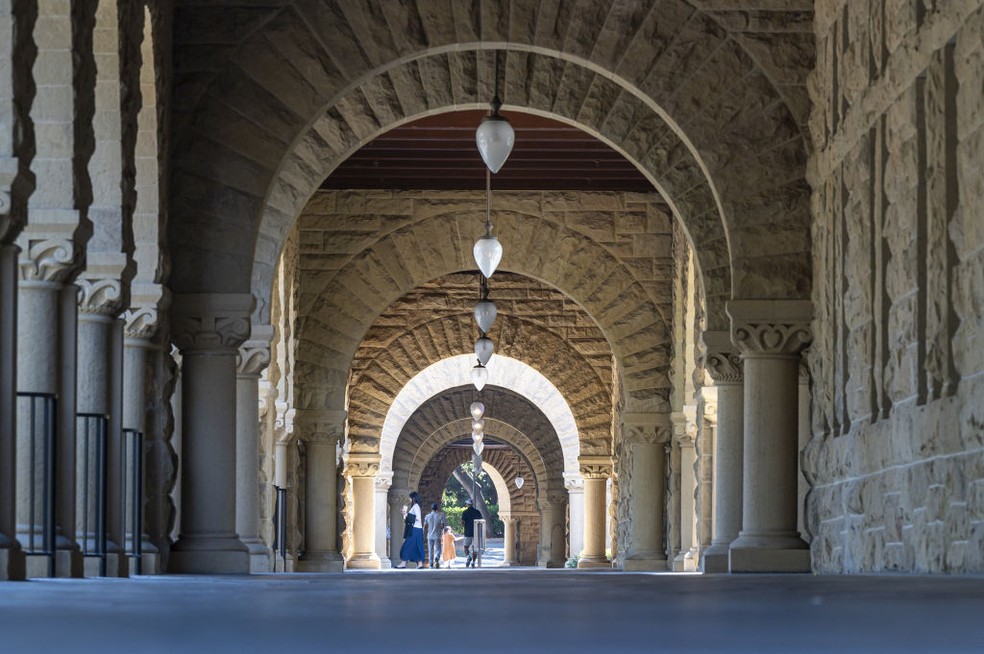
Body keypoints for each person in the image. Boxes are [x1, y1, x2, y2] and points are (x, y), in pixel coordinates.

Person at [396, 491, 425, 569]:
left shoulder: (416, 506)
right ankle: (419, 563)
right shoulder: (415, 506)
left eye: (410, 498)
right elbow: (411, 519)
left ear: (413, 498)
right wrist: (405, 514)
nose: (409, 499)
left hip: (415, 529)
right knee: (416, 546)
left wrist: (407, 514)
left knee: (407, 545)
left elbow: (418, 518)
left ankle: (403, 563)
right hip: (416, 529)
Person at [423, 502, 447, 568]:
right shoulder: (440, 515)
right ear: (437, 508)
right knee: (438, 549)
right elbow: (442, 526)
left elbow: (425, 526)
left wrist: (423, 533)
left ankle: (431, 564)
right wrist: (441, 528)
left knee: (430, 550)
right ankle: (437, 557)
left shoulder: (427, 516)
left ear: (431, 508)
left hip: (429, 535)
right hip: (437, 535)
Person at [461, 498, 482, 568]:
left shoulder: (465, 512)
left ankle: (468, 556)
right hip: (476, 532)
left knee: (465, 547)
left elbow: (462, 522)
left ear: (467, 504)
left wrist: (464, 526)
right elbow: (480, 521)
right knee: (474, 548)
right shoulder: (477, 512)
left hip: (467, 532)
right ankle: (473, 562)